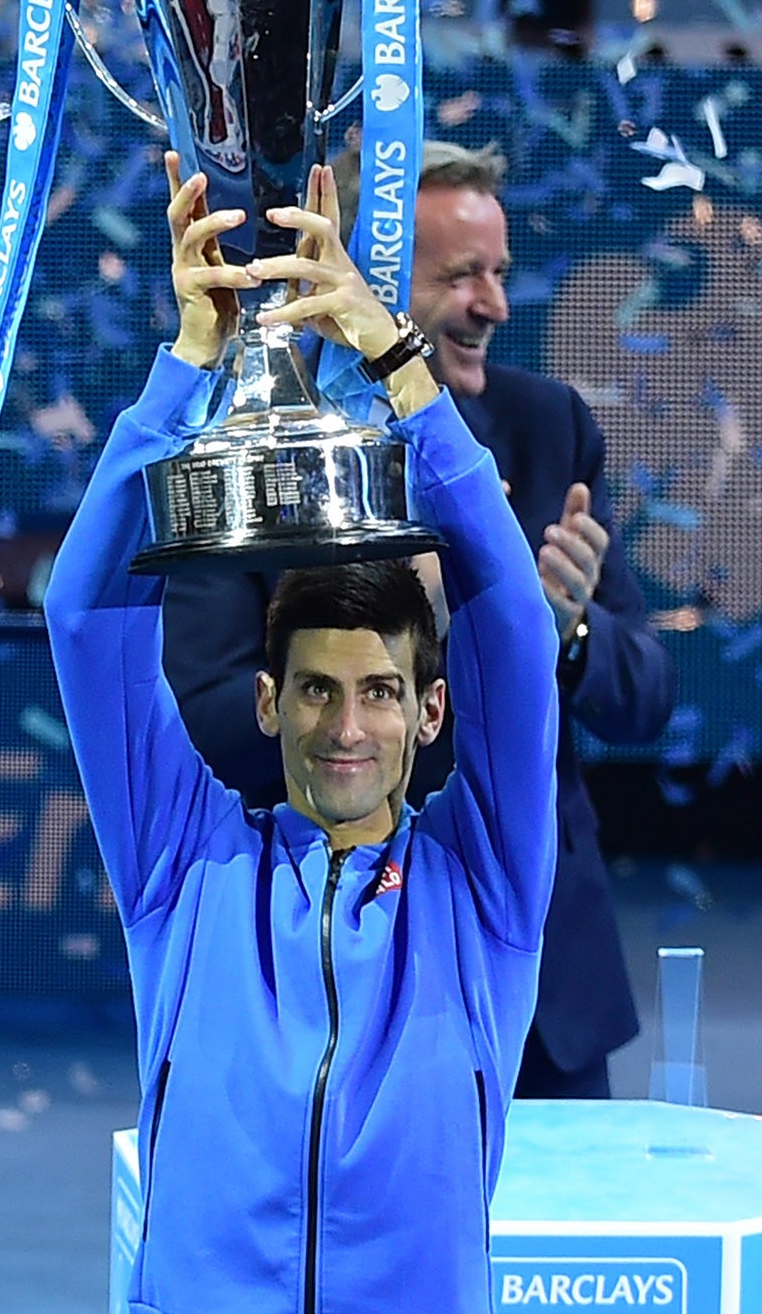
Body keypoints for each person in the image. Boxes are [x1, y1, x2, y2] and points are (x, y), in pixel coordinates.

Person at [44, 154, 558, 1313]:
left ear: (430, 714)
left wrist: (399, 369)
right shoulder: (184, 869)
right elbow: (85, 618)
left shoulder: (483, 895)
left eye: (380, 692)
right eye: (317, 691)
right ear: (268, 703)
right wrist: (187, 368)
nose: (346, 726)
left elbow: (513, 631)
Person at [163, 139, 676, 1099]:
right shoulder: (256, 447)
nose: (495, 305)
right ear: (366, 285)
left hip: (538, 1000)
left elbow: (644, 696)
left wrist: (557, 634)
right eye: (462, 277)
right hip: (318, 989)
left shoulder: (548, 425)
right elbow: (202, 720)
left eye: (499, 273)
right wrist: (373, 666)